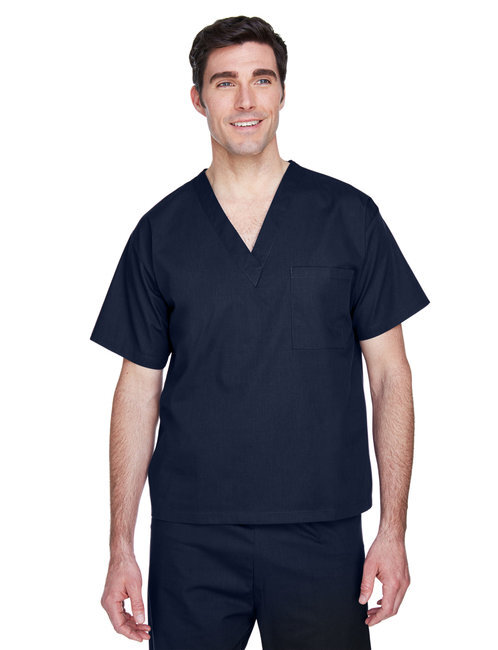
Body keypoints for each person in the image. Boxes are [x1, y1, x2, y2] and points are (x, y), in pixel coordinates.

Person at [90, 15, 430, 650]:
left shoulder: (349, 217)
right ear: (199, 99)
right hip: (192, 536)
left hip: (322, 533)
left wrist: (393, 529)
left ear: (282, 92)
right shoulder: (161, 233)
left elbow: (390, 377)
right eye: (225, 82)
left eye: (261, 80)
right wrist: (120, 545)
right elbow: (138, 389)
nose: (245, 100)